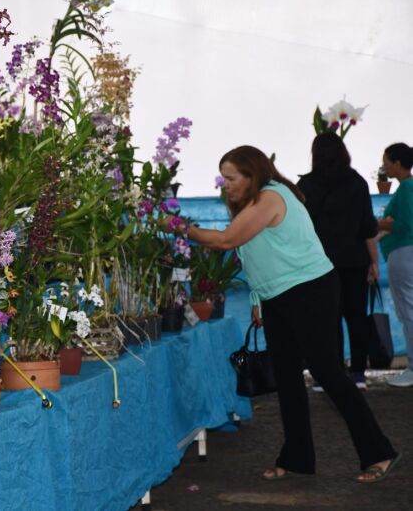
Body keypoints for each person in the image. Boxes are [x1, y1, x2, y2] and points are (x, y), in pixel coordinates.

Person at [166, 145, 399, 483]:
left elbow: (226, 241)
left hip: (310, 290)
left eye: (231, 178)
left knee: (328, 372)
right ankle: (297, 458)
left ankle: (380, 452)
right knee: (288, 378)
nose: (225, 185)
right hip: (278, 295)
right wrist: (259, 300)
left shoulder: (271, 197)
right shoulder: (251, 204)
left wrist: (180, 227)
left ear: (251, 175)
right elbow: (254, 252)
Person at [297, 133, 379, 389]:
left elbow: (300, 229)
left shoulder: (306, 185)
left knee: (326, 320)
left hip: (319, 265)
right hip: (355, 261)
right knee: (356, 317)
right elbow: (368, 227)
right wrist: (374, 262)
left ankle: (329, 374)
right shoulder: (358, 183)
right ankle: (358, 373)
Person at [378, 143, 413, 387]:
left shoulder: (407, 189)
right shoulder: (405, 188)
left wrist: (380, 223)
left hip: (404, 252)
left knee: (407, 310)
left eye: (387, 162)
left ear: (398, 163)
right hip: (402, 251)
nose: (384, 166)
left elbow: (405, 224)